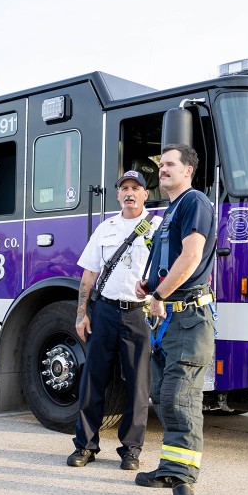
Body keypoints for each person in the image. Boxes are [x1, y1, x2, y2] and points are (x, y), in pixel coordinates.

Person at [133, 144, 217, 495]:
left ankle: (183, 483)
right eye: (161, 164)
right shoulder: (170, 211)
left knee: (181, 400)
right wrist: (149, 285)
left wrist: (159, 295)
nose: (162, 169)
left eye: (170, 164)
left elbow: (192, 256)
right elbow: (168, 260)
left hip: (187, 318)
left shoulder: (194, 201)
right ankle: (170, 469)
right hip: (168, 318)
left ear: (189, 170)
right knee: (166, 397)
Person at [66, 169, 159, 471]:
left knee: (138, 385)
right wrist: (82, 313)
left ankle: (131, 449)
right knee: (93, 380)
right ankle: (85, 445)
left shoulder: (158, 227)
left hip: (138, 314)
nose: (130, 193)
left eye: (136, 188)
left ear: (146, 194)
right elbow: (89, 273)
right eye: (124, 188)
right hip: (104, 311)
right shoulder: (105, 228)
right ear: (118, 195)